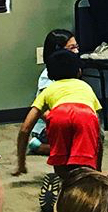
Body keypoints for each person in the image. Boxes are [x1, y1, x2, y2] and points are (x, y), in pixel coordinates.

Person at [13, 49, 101, 180]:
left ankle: (66, 181)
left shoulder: (48, 90)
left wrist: (21, 164)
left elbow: (25, 129)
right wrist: (98, 170)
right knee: (86, 164)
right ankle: (89, 177)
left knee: (60, 165)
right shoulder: (86, 87)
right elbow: (98, 133)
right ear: (79, 71)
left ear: (49, 74)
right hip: (85, 116)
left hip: (59, 116)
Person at [25, 29, 80, 159]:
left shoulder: (72, 71)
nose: (76, 51)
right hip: (48, 127)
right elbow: (43, 111)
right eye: (71, 48)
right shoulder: (47, 76)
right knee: (74, 149)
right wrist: (64, 124)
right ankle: (40, 146)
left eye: (77, 47)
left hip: (67, 119)